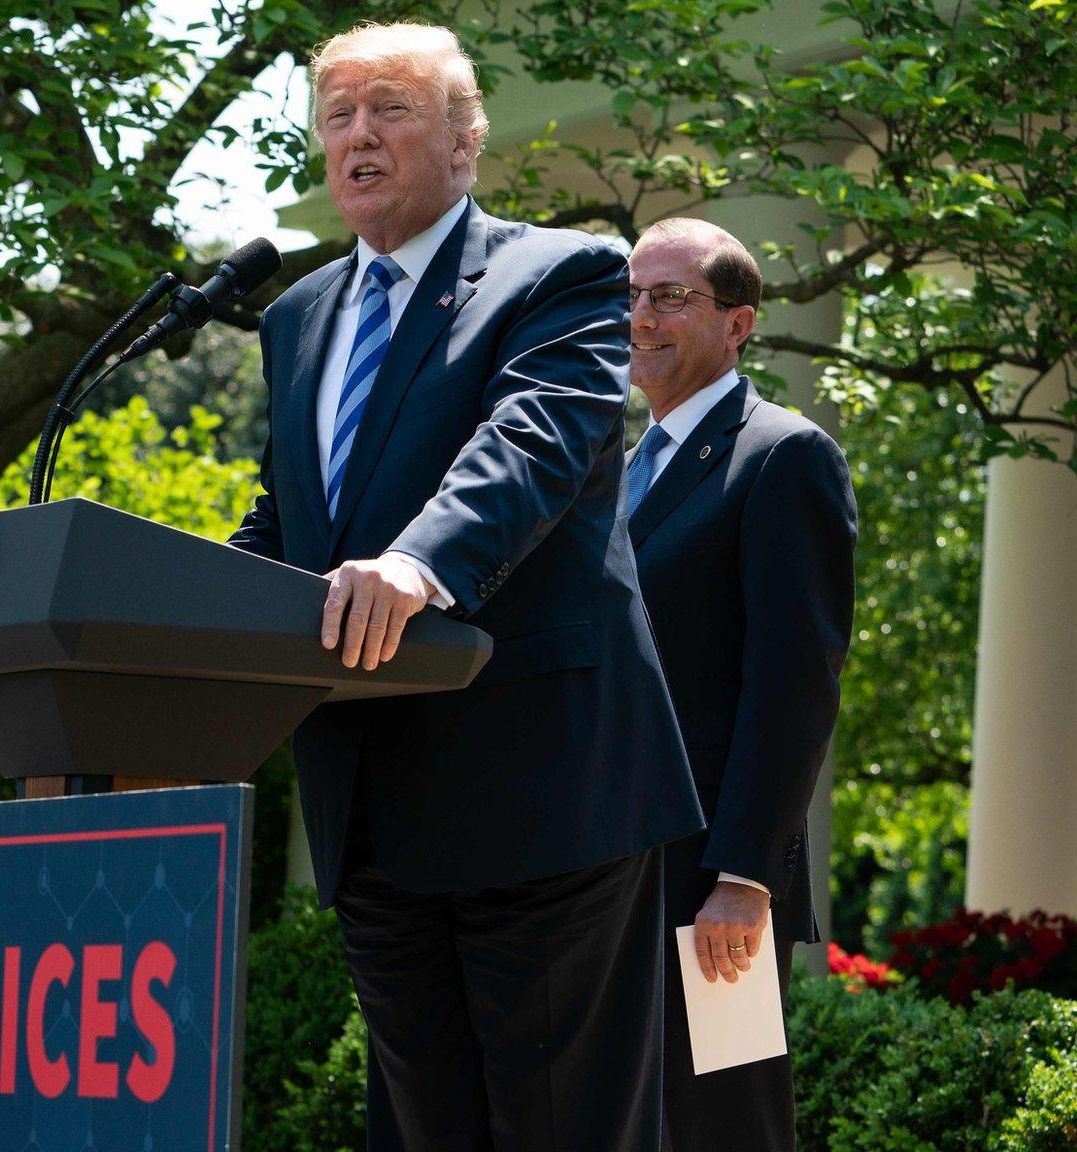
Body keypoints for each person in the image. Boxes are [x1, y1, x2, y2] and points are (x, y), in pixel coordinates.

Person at [227, 22, 704, 1151]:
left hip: (536, 785)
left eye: (388, 108)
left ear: (465, 137)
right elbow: (283, 519)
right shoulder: (295, 317)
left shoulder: (561, 275)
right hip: (371, 801)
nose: (357, 135)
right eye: (336, 114)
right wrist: (168, 608)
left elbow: (531, 443)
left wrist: (416, 560)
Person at [623, 217, 856, 1152]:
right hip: (594, 869)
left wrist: (745, 878)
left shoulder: (784, 456)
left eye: (671, 297)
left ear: (740, 324)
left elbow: (795, 685)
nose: (641, 316)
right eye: (632, 294)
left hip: (712, 888)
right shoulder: (606, 464)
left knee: (727, 1126)